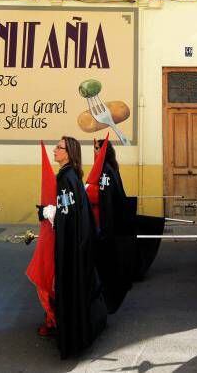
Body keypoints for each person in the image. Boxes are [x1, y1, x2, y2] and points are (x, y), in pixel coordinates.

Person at [37, 136, 107, 358]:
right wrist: (52, 209)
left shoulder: (66, 179)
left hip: (71, 249)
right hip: (78, 245)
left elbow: (67, 217)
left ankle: (73, 337)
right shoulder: (71, 176)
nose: (55, 150)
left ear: (68, 153)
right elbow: (72, 212)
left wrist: (48, 213)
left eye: (59, 147)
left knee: (70, 289)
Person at [90, 138, 134, 313]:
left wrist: (105, 228)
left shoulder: (105, 172)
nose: (94, 151)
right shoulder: (109, 168)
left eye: (96, 148)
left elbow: (106, 201)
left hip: (108, 223)